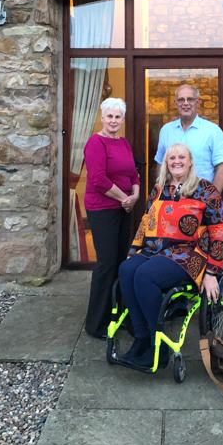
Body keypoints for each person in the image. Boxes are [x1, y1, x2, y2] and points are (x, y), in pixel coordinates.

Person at [118, 142, 223, 368]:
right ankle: (141, 337)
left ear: (190, 162)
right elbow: (145, 222)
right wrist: (133, 252)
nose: (177, 161)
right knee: (126, 270)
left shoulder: (206, 190)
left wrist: (211, 273)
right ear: (166, 164)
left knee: (144, 276)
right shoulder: (159, 189)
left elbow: (219, 234)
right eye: (172, 158)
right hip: (155, 249)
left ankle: (157, 343)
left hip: (188, 254)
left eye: (181, 158)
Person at [83, 97, 140, 340]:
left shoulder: (123, 143)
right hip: (103, 208)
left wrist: (135, 194)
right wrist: (124, 198)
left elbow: (133, 172)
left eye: (118, 116)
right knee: (106, 264)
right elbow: (98, 179)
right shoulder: (96, 143)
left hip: (124, 207)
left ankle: (120, 315)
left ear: (122, 119)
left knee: (123, 262)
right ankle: (96, 323)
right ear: (102, 117)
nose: (114, 120)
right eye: (110, 116)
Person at [154, 83, 223, 192]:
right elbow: (160, 163)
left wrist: (212, 199)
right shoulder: (166, 131)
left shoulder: (213, 131)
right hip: (171, 199)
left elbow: (222, 167)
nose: (185, 103)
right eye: (181, 100)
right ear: (175, 103)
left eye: (190, 99)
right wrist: (161, 192)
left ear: (198, 102)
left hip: (201, 197)